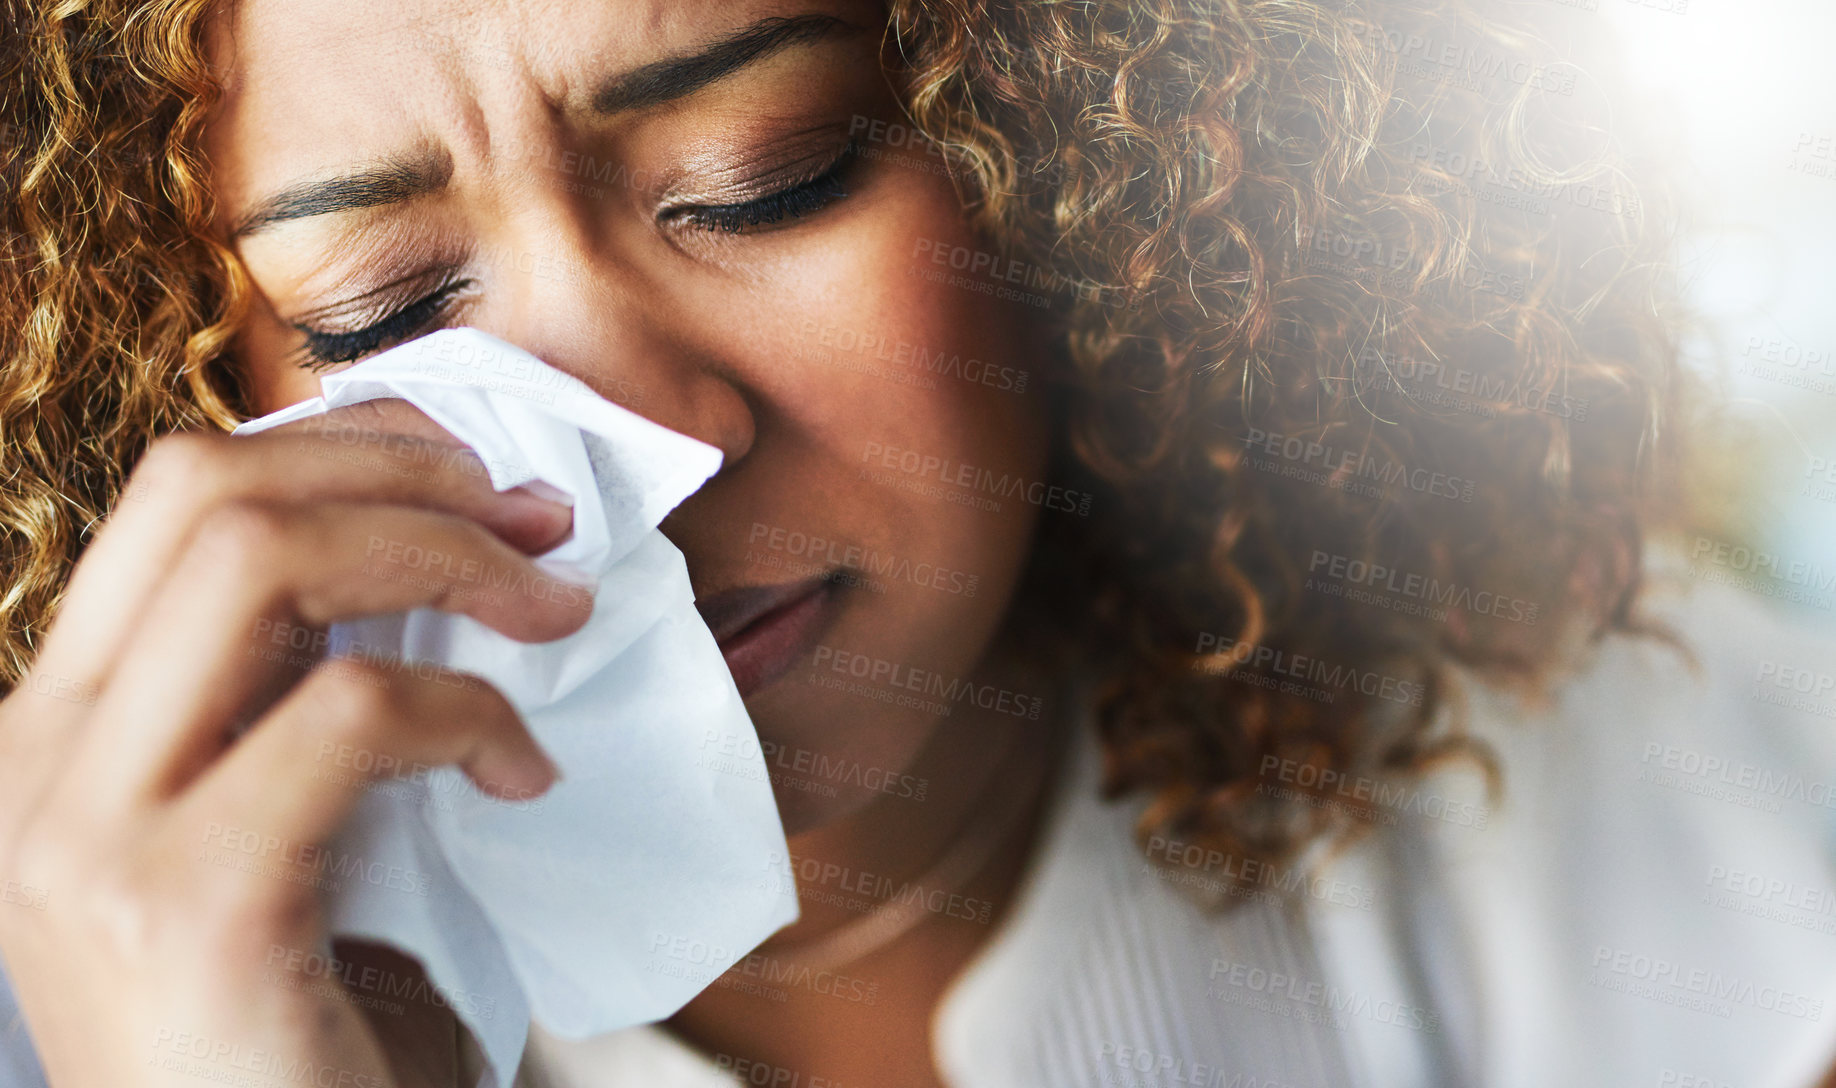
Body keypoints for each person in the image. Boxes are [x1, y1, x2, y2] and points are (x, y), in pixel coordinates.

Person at [2, 0, 1833, 1085]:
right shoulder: (116, 1013)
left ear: (1047, 151)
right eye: (381, 315)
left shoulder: (1611, 767)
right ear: (171, 395)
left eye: (765, 178)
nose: (660, 451)